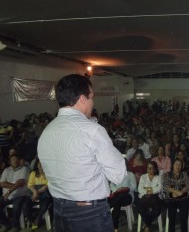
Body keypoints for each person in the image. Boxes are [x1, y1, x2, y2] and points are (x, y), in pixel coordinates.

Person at [37, 74, 126, 232]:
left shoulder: (47, 130)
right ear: (82, 99)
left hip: (59, 209)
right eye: (92, 97)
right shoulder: (92, 131)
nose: (93, 102)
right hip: (89, 213)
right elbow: (118, 175)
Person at [0, 154, 31, 232]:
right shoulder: (6, 170)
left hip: (20, 194)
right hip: (7, 195)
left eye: (16, 159)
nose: (15, 161)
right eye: (13, 160)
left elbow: (20, 182)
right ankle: (6, 224)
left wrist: (10, 190)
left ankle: (15, 226)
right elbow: (2, 183)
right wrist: (16, 185)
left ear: (19, 160)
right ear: (10, 162)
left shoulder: (24, 169)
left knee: (16, 206)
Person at [163, 158, 189, 232]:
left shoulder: (184, 174)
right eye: (176, 164)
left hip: (183, 198)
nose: (178, 166)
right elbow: (165, 186)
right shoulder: (167, 174)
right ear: (173, 165)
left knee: (184, 217)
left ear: (182, 166)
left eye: (180, 165)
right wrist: (175, 192)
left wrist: (181, 192)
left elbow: (188, 185)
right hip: (171, 199)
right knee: (171, 217)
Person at [109, 160, 136, 232]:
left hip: (128, 196)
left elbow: (134, 186)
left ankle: (108, 206)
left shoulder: (130, 174)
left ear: (126, 165)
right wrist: (116, 190)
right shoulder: (115, 174)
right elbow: (111, 185)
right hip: (117, 196)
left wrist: (126, 188)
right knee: (117, 205)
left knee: (122, 194)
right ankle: (115, 229)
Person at [26, 159, 52, 231]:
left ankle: (37, 220)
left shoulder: (48, 173)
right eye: (39, 164)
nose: (41, 166)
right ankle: (32, 221)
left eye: (42, 164)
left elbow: (47, 185)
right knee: (25, 205)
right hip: (33, 192)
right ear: (37, 165)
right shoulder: (33, 173)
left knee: (44, 205)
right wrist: (35, 192)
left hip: (44, 193)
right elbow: (30, 185)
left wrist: (36, 192)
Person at [137, 161, 162, 232]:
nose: (149, 169)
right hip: (144, 197)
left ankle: (147, 224)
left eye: (151, 168)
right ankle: (148, 225)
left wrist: (148, 189)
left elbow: (159, 188)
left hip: (155, 197)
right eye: (148, 168)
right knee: (140, 208)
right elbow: (139, 189)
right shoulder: (143, 176)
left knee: (157, 210)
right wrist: (149, 190)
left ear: (155, 169)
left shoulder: (158, 177)